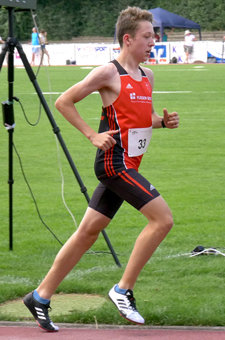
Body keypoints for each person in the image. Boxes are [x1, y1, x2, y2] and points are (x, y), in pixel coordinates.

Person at [23, 6, 179, 332]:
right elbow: (64, 101)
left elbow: (140, 120)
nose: (154, 41)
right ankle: (123, 290)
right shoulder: (108, 73)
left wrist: (162, 123)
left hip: (129, 164)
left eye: (154, 36)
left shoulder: (148, 76)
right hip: (114, 163)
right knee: (162, 219)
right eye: (148, 36)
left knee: (87, 233)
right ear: (128, 38)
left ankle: (40, 296)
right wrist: (92, 135)